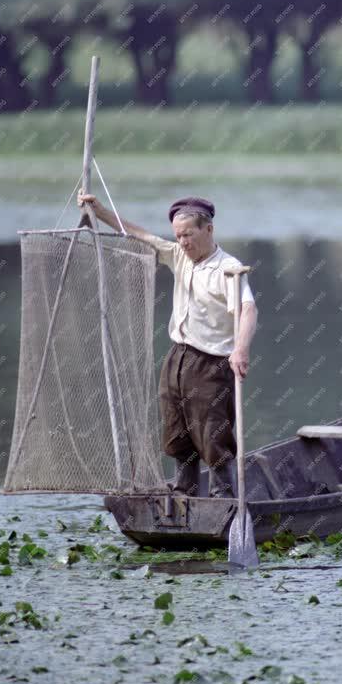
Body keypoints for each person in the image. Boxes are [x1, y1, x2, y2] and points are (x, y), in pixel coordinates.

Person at [77, 192, 257, 498]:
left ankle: (223, 494)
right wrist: (101, 212)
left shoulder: (228, 267)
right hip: (178, 357)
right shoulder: (178, 256)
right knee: (177, 426)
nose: (183, 242)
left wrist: (241, 348)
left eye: (188, 235)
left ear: (208, 230)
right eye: (178, 236)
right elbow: (140, 236)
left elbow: (248, 309)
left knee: (212, 430)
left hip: (212, 363)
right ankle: (185, 487)